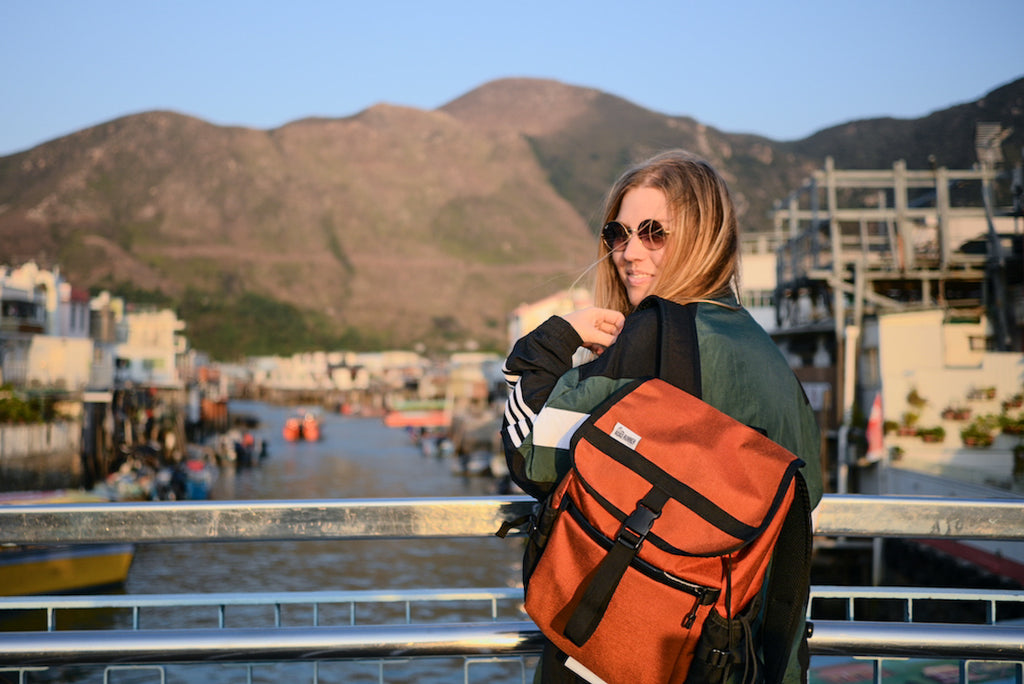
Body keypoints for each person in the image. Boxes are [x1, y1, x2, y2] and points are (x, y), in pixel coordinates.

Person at [501, 150, 823, 683]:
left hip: (630, 651)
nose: (629, 252)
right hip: (742, 659)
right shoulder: (771, 360)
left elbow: (530, 450)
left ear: (704, 236)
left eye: (654, 233)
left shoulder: (653, 339)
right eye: (617, 234)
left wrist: (552, 339)